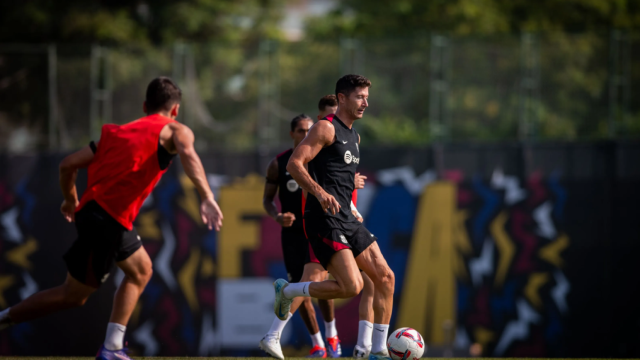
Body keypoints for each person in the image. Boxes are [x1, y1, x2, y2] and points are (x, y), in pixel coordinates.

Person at [0, 77, 223, 360]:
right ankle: (109, 348)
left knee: (138, 270)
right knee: (74, 295)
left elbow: (67, 165)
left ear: (145, 106)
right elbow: (188, 153)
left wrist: (70, 200)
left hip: (98, 215)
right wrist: (206, 196)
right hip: (108, 218)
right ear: (175, 110)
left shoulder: (115, 133)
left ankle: (112, 347)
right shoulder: (175, 129)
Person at [280, 74, 395, 360]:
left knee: (385, 278)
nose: (365, 102)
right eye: (360, 96)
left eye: (367, 97)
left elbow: (337, 176)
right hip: (324, 218)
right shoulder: (325, 128)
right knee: (352, 286)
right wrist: (319, 193)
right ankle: (292, 292)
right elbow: (295, 165)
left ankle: (379, 351)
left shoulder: (354, 136)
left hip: (347, 217)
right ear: (342, 98)